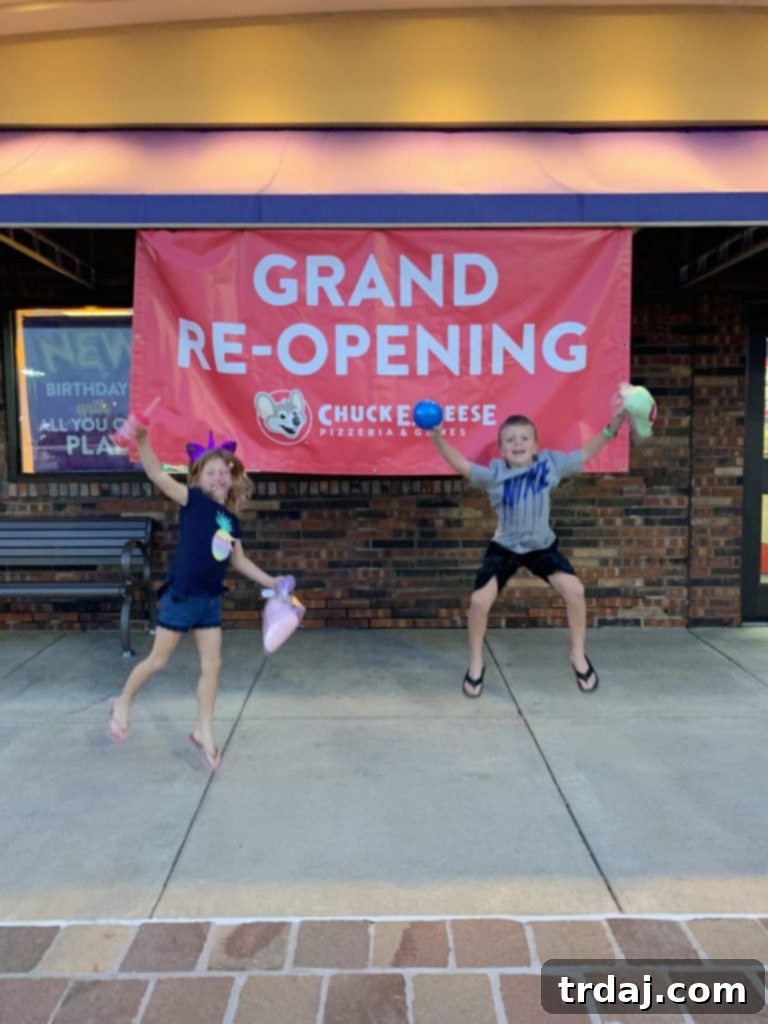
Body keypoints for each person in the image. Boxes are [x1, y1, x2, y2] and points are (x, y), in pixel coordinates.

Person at [108, 425, 284, 770]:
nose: (219, 476)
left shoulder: (231, 520)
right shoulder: (193, 500)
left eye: (224, 471)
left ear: (232, 479)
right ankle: (123, 702)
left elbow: (238, 560)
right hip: (182, 595)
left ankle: (203, 729)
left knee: (212, 666)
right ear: (198, 478)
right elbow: (157, 474)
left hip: (209, 599)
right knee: (158, 662)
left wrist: (272, 580)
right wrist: (144, 440)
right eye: (211, 471)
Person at [428, 406, 627, 698]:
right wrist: (437, 439)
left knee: (575, 591)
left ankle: (578, 654)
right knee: (479, 601)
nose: (518, 443)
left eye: (524, 438)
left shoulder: (550, 465)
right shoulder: (494, 474)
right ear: (501, 449)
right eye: (510, 440)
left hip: (541, 547)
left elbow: (585, 454)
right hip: (505, 548)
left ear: (535, 445)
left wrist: (612, 427)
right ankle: (476, 662)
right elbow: (461, 465)